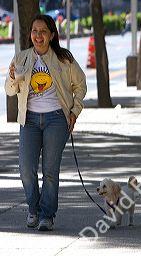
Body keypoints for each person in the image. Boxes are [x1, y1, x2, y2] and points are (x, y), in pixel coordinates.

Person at [4, 14, 87, 231]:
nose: (38, 35)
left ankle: (47, 216)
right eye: (34, 31)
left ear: (51, 35)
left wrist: (74, 111)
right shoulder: (21, 58)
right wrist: (12, 78)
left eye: (43, 31)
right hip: (29, 120)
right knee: (26, 169)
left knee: (50, 170)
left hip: (56, 119)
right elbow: (9, 91)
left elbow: (80, 85)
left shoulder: (63, 59)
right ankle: (34, 208)